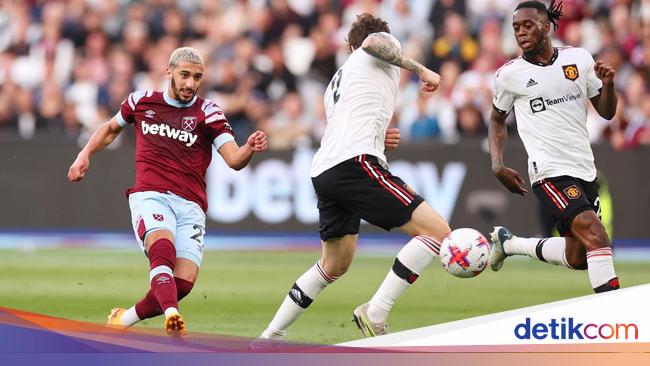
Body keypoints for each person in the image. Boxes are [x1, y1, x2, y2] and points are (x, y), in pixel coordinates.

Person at [259, 13, 451, 340]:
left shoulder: (340, 79)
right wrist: (422, 69)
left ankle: (269, 338)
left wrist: (380, 134)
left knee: (333, 266)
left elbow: (348, 123)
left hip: (326, 169)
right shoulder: (374, 48)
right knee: (437, 232)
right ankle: (375, 312)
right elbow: (374, 43)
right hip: (354, 163)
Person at [67, 47, 268, 337]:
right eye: (184, 75)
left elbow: (234, 160)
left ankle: (121, 321)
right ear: (169, 72)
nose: (190, 83)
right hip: (150, 194)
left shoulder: (208, 113)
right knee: (162, 247)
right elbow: (110, 129)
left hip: (191, 205)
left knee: (182, 284)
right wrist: (84, 153)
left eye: (197, 77)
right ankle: (173, 315)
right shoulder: (142, 101)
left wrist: (248, 147)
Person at [488, 1, 620, 293]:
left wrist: (609, 85)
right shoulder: (510, 75)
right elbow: (497, 120)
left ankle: (511, 244)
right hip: (549, 172)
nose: (521, 33)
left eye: (528, 25)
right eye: (516, 28)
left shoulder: (579, 59)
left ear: (546, 26)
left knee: (580, 256)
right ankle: (614, 322)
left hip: (584, 170)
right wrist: (497, 164)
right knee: (597, 236)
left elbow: (607, 112)